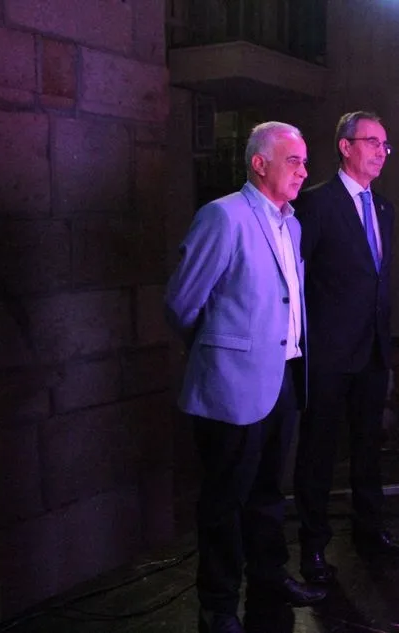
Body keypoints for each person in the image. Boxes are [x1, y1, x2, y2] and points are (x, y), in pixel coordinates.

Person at [164, 122, 326, 633]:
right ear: (259, 163)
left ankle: (269, 582)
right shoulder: (223, 216)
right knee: (224, 501)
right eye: (294, 160)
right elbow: (181, 303)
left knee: (268, 495)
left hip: (284, 378)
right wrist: (218, 352)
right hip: (231, 385)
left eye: (305, 161)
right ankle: (217, 606)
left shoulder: (292, 225)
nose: (304, 171)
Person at [292, 111, 399, 587]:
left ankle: (369, 530)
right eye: (372, 142)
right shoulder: (316, 203)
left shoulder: (384, 208)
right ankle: (313, 547)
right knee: (319, 452)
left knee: (368, 447)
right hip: (328, 353)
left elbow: (376, 278)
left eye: (385, 144)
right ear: (345, 146)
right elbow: (297, 275)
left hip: (372, 350)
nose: (382, 152)